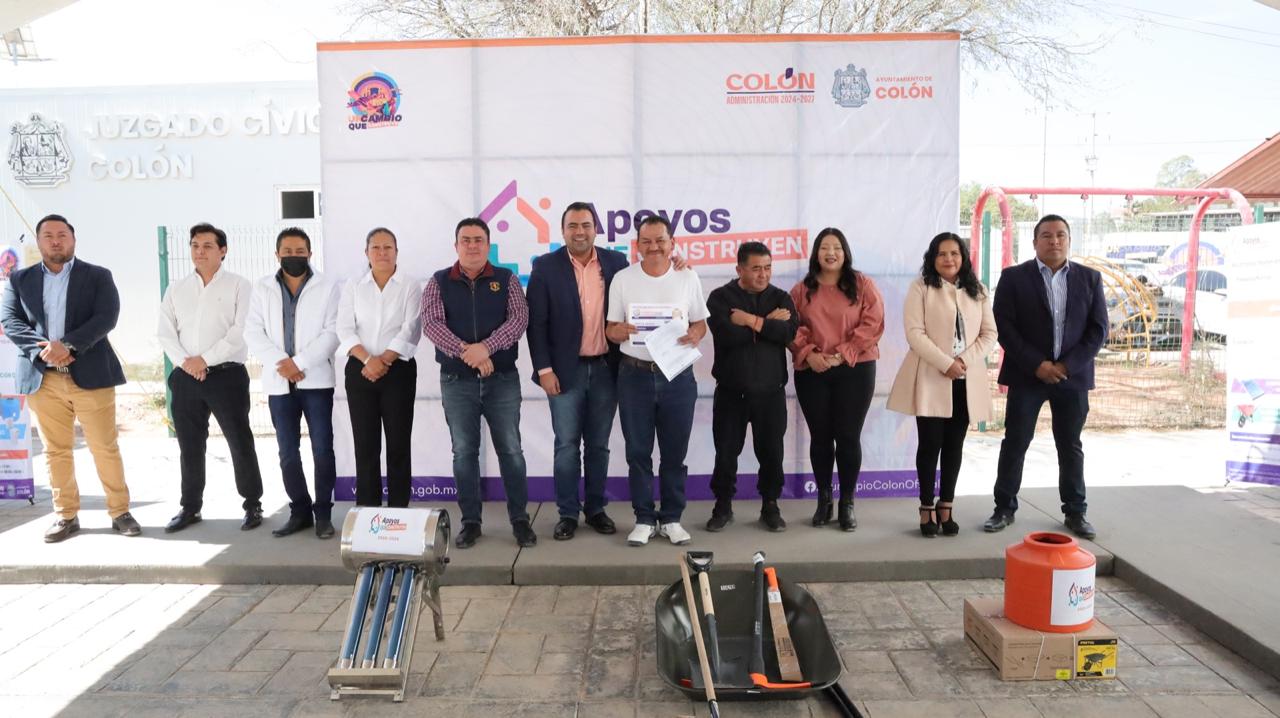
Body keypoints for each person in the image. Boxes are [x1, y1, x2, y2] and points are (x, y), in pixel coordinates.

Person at [0, 214, 140, 543]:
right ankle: (65, 515)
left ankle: (120, 512)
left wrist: (69, 345)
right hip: (43, 377)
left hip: (90, 375)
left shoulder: (98, 276)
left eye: (62, 235)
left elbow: (106, 316)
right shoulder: (19, 280)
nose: (56, 241)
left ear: (73, 240)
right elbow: (9, 319)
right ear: (39, 242)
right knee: (56, 450)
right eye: (48, 235)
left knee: (104, 447)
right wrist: (45, 350)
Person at [985, 215, 1108, 539]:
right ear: (1035, 242)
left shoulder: (1090, 279)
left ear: (1069, 240)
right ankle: (1003, 508)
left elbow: (1098, 330)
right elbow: (1004, 326)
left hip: (1072, 378)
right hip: (1028, 376)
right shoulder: (1014, 278)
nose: (1054, 241)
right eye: (1047, 235)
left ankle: (1076, 512)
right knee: (1015, 442)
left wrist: (1067, 366)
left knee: (1070, 445)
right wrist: (1036, 364)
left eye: (1061, 235)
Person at [421, 217, 535, 549]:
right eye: (466, 240)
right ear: (456, 245)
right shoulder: (438, 281)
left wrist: (486, 347)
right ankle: (470, 522)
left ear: (488, 245)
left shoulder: (507, 279)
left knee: (511, 450)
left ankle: (520, 520)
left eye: (478, 240)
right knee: (464, 453)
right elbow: (432, 324)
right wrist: (467, 352)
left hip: (502, 380)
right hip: (457, 381)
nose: (472, 245)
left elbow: (519, 319)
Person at [525, 202, 629, 540]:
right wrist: (544, 369)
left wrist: (677, 266)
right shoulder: (545, 267)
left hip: (606, 369)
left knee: (598, 445)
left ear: (596, 229)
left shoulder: (617, 263)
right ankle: (567, 513)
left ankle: (596, 509)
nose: (579, 231)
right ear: (563, 230)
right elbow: (536, 324)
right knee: (567, 446)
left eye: (585, 225)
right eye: (573, 226)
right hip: (563, 372)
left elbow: (642, 290)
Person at [605, 215, 708, 547]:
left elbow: (700, 323)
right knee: (638, 452)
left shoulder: (687, 277)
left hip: (677, 375)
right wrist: (620, 331)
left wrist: (695, 334)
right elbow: (610, 329)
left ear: (672, 243)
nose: (654, 247)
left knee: (675, 452)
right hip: (634, 375)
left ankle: (672, 517)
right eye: (646, 241)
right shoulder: (623, 279)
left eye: (660, 240)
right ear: (637, 245)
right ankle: (644, 518)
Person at [887, 232, 997, 537]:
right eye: (942, 254)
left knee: (954, 446)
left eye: (954, 253)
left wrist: (963, 361)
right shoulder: (921, 287)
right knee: (930, 444)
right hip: (931, 376)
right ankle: (926, 507)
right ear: (932, 258)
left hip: (966, 378)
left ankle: (946, 505)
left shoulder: (978, 290)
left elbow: (989, 334)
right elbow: (914, 332)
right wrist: (945, 362)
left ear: (963, 257)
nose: (949, 259)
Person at [157, 223, 264, 533]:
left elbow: (240, 330)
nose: (199, 251)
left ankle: (252, 504)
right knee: (189, 445)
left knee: (239, 440)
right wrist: (188, 363)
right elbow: (165, 332)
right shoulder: (176, 289)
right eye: (195, 245)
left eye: (207, 246)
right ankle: (190, 507)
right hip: (185, 377)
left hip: (226, 375)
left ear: (223, 250)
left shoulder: (239, 285)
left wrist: (204, 359)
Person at [244, 227, 341, 539]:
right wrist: (282, 363)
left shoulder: (328, 286)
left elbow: (333, 332)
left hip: (316, 381)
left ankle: (323, 514)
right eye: (287, 251)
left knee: (322, 450)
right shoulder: (262, 288)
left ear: (310, 253)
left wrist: (299, 363)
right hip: (279, 382)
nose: (294, 256)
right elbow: (252, 331)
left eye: (300, 251)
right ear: (277, 255)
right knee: (287, 452)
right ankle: (299, 511)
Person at [789, 227, 884, 532]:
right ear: (816, 253)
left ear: (845, 253)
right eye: (824, 248)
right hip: (813, 370)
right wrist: (810, 354)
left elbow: (873, 323)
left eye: (837, 248)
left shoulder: (862, 284)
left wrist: (843, 354)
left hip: (855, 369)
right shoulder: (801, 290)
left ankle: (847, 503)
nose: (831, 253)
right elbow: (792, 327)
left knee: (847, 436)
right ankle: (824, 500)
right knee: (820, 437)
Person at [705, 241, 798, 532]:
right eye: (756, 268)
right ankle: (723, 505)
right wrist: (766, 325)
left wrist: (748, 321)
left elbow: (787, 333)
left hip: (771, 393)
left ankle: (770, 504)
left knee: (772, 453)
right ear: (739, 269)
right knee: (725, 452)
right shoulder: (720, 298)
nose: (763, 274)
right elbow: (727, 335)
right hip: (731, 392)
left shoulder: (781, 297)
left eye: (768, 268)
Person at [336, 227, 421, 508]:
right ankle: (368, 512)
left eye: (388, 247)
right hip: (360, 370)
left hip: (398, 372)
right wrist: (367, 360)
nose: (382, 253)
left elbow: (411, 328)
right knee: (365, 446)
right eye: (376, 247)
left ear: (397, 251)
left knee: (398, 445)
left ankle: (398, 512)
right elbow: (344, 328)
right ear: (366, 252)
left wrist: (382, 360)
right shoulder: (354, 285)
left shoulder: (410, 285)